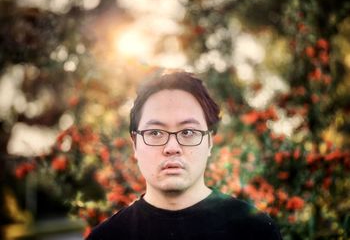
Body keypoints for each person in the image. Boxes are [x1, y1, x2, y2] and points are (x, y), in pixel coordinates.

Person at [87, 72, 283, 240]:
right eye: (155, 133)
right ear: (135, 144)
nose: (172, 147)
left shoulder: (256, 231)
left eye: (188, 132)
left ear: (210, 142)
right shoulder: (106, 237)